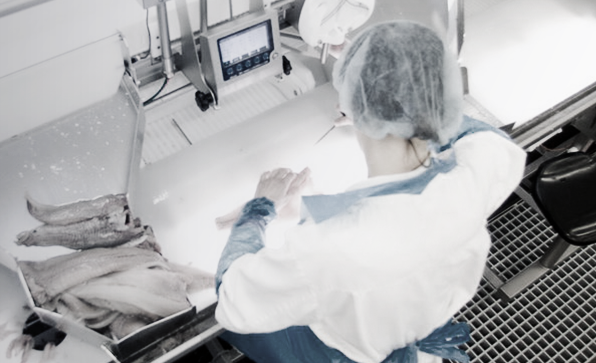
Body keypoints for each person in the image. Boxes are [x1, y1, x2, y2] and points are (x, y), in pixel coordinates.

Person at [213, 21, 526, 363]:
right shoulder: (477, 174)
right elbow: (486, 139)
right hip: (415, 336)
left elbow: (234, 298)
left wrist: (260, 209)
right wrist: (396, 98)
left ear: (356, 105)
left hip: (346, 351)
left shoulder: (334, 247)